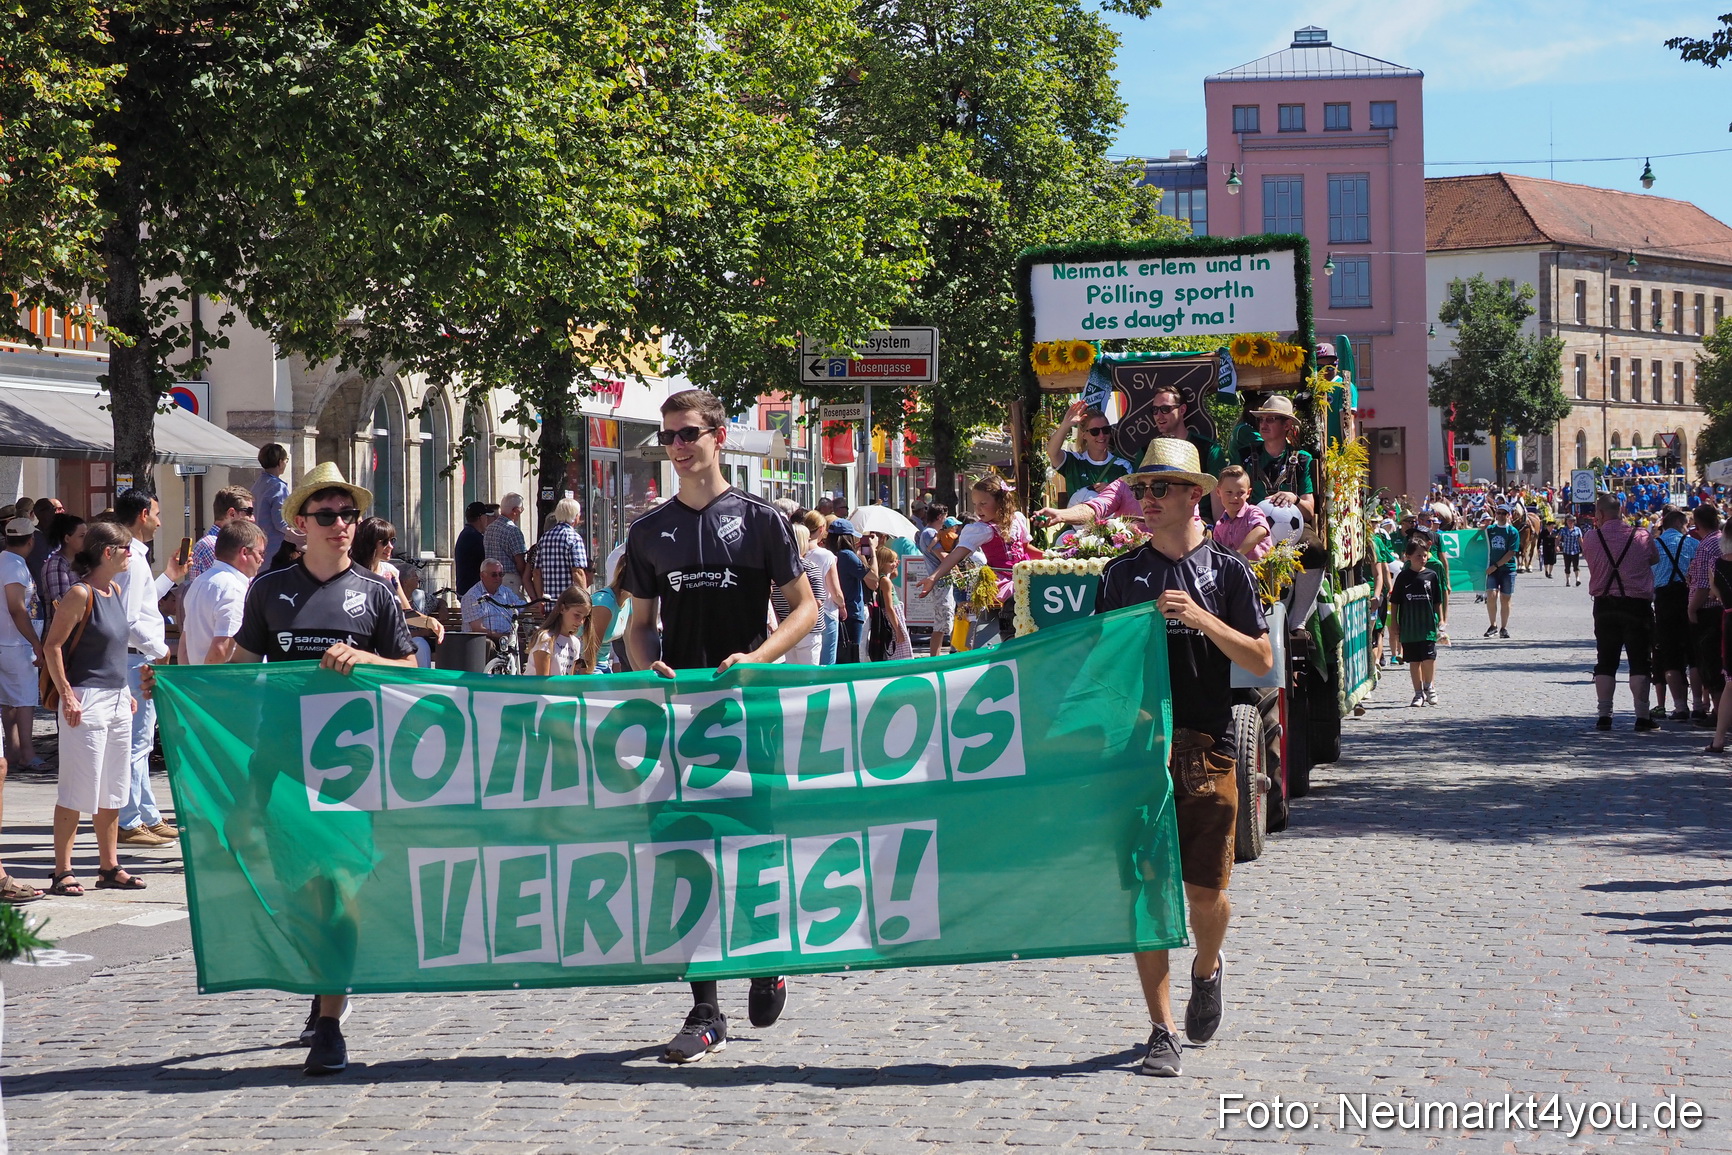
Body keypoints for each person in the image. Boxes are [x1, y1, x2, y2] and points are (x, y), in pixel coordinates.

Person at [620, 387, 817, 1064]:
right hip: (684, 718)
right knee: (686, 856)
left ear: (718, 436)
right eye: (668, 436)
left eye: (687, 433)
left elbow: (806, 609)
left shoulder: (762, 520)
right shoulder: (649, 531)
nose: (676, 446)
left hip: (750, 714)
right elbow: (639, 627)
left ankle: (766, 961)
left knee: (754, 847)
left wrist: (758, 659)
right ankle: (705, 1009)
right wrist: (649, 669)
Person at [213, 462, 416, 1075]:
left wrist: (367, 659)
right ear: (300, 523)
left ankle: (330, 1022)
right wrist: (172, 684)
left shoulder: (375, 592)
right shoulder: (270, 590)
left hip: (350, 772)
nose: (340, 524)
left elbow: (410, 670)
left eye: (348, 514)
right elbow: (239, 671)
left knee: (339, 891)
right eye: (326, 515)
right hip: (280, 765)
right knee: (303, 897)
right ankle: (327, 983)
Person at [1090, 438, 1271, 1077]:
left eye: (1159, 488)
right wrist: (1135, 718)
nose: (1147, 499)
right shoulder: (1120, 575)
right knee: (1146, 890)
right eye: (1142, 489)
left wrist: (1201, 619)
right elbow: (1100, 669)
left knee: (1205, 893)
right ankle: (1161, 1029)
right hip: (1139, 752)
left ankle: (1207, 967)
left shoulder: (1228, 573)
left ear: (1195, 494)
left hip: (1208, 748)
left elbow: (1262, 661)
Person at [42, 519, 141, 900]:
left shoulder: (114, 590)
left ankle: (109, 866)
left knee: (113, 787)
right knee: (77, 787)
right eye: (126, 549)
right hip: (86, 699)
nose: (131, 555)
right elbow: (52, 646)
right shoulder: (80, 593)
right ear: (108, 552)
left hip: (115, 698)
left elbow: (114, 649)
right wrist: (67, 694)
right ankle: (62, 870)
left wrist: (125, 690)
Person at [114, 489, 186, 847]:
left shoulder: (134, 556)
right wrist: (160, 650)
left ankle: (146, 815)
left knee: (140, 743)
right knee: (136, 743)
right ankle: (129, 820)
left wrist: (169, 576)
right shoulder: (131, 557)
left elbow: (140, 604)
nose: (159, 521)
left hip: (136, 656)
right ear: (143, 514)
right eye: (156, 514)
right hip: (136, 657)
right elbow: (128, 619)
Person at [917, 474, 1038, 647]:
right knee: (1012, 601)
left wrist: (1053, 557)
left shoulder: (1017, 519)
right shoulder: (982, 529)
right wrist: (933, 577)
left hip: (1024, 574)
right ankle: (1009, 639)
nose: (978, 509)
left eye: (983, 503)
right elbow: (956, 554)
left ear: (1001, 502)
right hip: (1003, 579)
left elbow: (1026, 549)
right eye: (975, 504)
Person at [1581, 493, 1659, 732]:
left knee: (1605, 661)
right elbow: (1653, 559)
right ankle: (1642, 716)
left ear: (1600, 514)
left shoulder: (1591, 538)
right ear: (1621, 510)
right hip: (1637, 605)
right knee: (1640, 661)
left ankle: (1604, 716)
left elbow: (1591, 560)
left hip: (1604, 605)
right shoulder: (1641, 536)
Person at [352, 517, 444, 666]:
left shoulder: (390, 573)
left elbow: (404, 612)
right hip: (357, 645)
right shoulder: (351, 572)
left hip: (385, 647)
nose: (390, 547)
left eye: (392, 540)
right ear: (369, 543)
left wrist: (429, 621)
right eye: (384, 542)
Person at [179, 520, 267, 665]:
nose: (262, 559)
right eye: (260, 553)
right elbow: (221, 649)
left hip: (199, 675)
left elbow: (184, 645)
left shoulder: (199, 582)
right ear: (244, 552)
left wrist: (190, 678)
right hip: (224, 678)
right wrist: (211, 679)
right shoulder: (233, 588)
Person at [0, 516, 42, 771]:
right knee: (25, 700)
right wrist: (36, 642)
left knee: (9, 700)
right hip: (16, 643)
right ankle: (27, 752)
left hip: (9, 642)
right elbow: (17, 608)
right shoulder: (14, 566)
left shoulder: (5, 561)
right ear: (30, 540)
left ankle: (14, 750)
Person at [1650, 507, 1696, 721]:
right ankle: (1699, 704)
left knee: (1669, 654)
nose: (1687, 529)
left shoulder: (1654, 546)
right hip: (1688, 599)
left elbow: (1648, 576)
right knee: (1694, 653)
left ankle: (1680, 706)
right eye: (1686, 525)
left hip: (1664, 601)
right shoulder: (1693, 544)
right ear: (1679, 524)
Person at [1390, 535, 1447, 706]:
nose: (1422, 559)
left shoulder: (1431, 575)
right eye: (1418, 556)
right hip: (1409, 627)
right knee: (1414, 661)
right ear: (1408, 556)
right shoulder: (1403, 577)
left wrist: (1441, 620)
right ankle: (1418, 693)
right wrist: (1394, 623)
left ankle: (1429, 686)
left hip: (1427, 625)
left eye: (1424, 555)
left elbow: (1437, 600)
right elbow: (1395, 602)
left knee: (1429, 658)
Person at [1241, 395, 1314, 522]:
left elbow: (1309, 513)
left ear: (1287, 425)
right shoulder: (1245, 455)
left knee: (1311, 537)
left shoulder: (1302, 459)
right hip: (1251, 525)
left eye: (1270, 419)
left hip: (1292, 528)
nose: (1263, 424)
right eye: (1261, 419)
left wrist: (1294, 499)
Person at [1045, 401, 1133, 506]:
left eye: (1106, 430)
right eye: (1095, 431)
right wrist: (1065, 425)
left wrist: (1113, 491)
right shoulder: (1074, 462)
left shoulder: (1123, 466)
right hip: (1075, 516)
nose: (1101, 435)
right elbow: (1052, 452)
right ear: (1084, 435)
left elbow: (1132, 500)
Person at [1687, 505, 1724, 728]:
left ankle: (1719, 712)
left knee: (1710, 662)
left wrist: (1691, 609)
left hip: (1708, 610)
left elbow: (1703, 585)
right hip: (1722, 608)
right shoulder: (1722, 540)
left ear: (1697, 523)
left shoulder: (1707, 545)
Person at [186, 486, 256, 582]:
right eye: (249, 512)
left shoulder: (224, 543)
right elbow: (233, 584)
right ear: (231, 513)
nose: (252, 519)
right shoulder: (213, 545)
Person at [801, 510, 844, 664]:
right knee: (826, 663)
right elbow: (835, 591)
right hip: (826, 611)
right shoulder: (826, 555)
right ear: (821, 529)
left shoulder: (798, 553)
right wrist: (842, 605)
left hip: (801, 611)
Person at [914, 504, 955, 657]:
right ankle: (935, 658)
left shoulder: (928, 532)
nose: (945, 520)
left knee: (943, 621)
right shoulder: (930, 533)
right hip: (940, 582)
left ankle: (937, 656)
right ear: (939, 516)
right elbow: (943, 556)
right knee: (941, 623)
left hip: (941, 581)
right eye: (945, 516)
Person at [828, 519, 869, 663]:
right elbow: (872, 576)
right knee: (851, 655)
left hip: (833, 611)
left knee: (838, 655)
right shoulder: (847, 555)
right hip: (851, 611)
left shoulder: (830, 554)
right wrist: (872, 552)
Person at [527, 584, 592, 675]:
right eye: (577, 615)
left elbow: (569, 678)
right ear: (562, 609)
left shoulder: (575, 643)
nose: (581, 622)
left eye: (584, 617)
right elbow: (542, 680)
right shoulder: (546, 639)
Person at [1210, 466, 1271, 562]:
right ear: (1218, 492)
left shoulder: (1252, 512)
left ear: (1248, 493)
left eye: (1240, 492)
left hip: (1260, 569)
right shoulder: (1219, 525)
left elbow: (1261, 530)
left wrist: (1237, 554)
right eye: (1229, 492)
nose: (1235, 498)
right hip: (1235, 570)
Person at [533, 498, 589, 602]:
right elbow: (577, 572)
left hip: (550, 602)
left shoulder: (545, 537)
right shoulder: (574, 538)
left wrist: (541, 600)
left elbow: (536, 573)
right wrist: (585, 601)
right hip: (570, 603)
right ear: (575, 516)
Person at [462, 559, 528, 642]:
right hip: (482, 640)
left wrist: (538, 603)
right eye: (494, 575)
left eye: (500, 574)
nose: (498, 578)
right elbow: (478, 629)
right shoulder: (472, 596)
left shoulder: (505, 592)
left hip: (507, 639)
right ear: (482, 575)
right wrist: (505, 637)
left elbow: (521, 606)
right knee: (489, 644)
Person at [40, 512, 86, 627]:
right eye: (82, 536)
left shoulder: (82, 561)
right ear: (67, 538)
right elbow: (62, 605)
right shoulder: (56, 564)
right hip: (65, 632)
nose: (86, 540)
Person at [251, 443, 295, 561]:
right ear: (280, 462)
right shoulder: (278, 486)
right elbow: (281, 522)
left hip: (259, 544)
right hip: (276, 548)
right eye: (286, 460)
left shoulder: (258, 484)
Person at [1482, 505, 1520, 639]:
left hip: (1507, 569)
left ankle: (1504, 627)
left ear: (1508, 515)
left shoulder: (1513, 532)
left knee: (1505, 598)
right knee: (1491, 595)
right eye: (1499, 513)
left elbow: (1511, 552)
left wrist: (1496, 565)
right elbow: (1475, 537)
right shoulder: (1490, 530)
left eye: (1504, 513)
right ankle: (1493, 625)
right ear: (1496, 514)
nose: (1501, 515)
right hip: (1492, 569)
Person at [873, 545, 914, 661]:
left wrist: (895, 566)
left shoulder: (882, 577)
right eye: (890, 561)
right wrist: (898, 630)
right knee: (900, 651)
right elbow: (889, 607)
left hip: (893, 615)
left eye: (895, 561)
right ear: (882, 563)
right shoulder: (885, 581)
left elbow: (894, 574)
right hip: (893, 617)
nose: (894, 564)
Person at [483, 493, 529, 593]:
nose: (522, 510)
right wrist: (527, 581)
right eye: (521, 508)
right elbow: (520, 562)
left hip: (490, 579)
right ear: (515, 510)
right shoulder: (513, 530)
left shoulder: (489, 528)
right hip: (509, 579)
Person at [453, 501, 494, 594]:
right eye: (486, 516)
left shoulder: (466, 534)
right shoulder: (474, 537)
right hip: (473, 591)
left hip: (467, 588)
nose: (487, 520)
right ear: (481, 518)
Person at [1558, 514, 1584, 587]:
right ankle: (1568, 580)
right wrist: (1557, 546)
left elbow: (1580, 540)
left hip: (1575, 550)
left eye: (1572, 521)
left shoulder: (1577, 530)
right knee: (1567, 566)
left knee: (1576, 566)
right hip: (1566, 551)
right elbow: (1558, 539)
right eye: (1569, 521)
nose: (1570, 522)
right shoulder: (1563, 530)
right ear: (1566, 522)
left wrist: (1584, 549)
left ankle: (1577, 579)